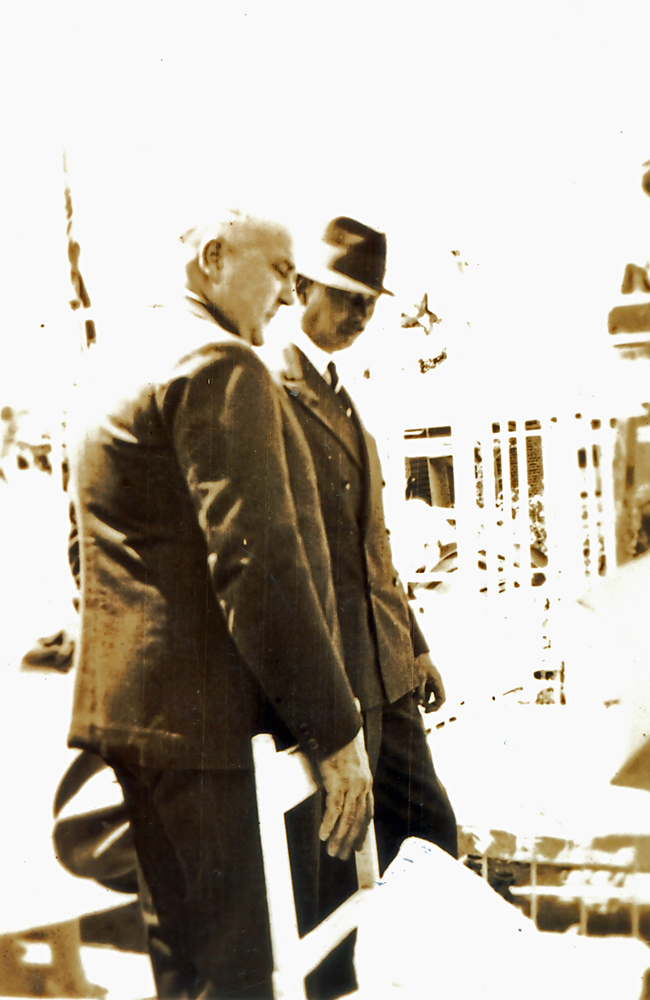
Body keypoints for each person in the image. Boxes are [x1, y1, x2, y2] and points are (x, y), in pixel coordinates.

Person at [66, 211, 374, 1000]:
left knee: (185, 965)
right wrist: (336, 735)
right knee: (238, 973)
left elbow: (85, 551)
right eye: (278, 271)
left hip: (131, 721)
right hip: (203, 733)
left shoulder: (116, 363)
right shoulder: (219, 360)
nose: (288, 293)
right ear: (213, 258)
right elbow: (259, 570)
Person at [277, 215, 458, 878]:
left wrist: (416, 645)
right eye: (346, 295)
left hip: (388, 671)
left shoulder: (344, 394)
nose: (360, 314)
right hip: (336, 682)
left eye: (368, 301)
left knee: (432, 839)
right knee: (342, 873)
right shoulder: (268, 392)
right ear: (301, 287)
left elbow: (370, 545)